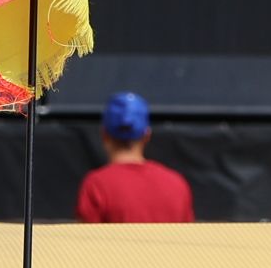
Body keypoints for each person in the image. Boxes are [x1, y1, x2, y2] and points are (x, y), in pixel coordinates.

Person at [77, 91, 194, 224]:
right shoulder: (177, 185)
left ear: (104, 134)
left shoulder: (96, 185)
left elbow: (85, 242)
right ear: (147, 135)